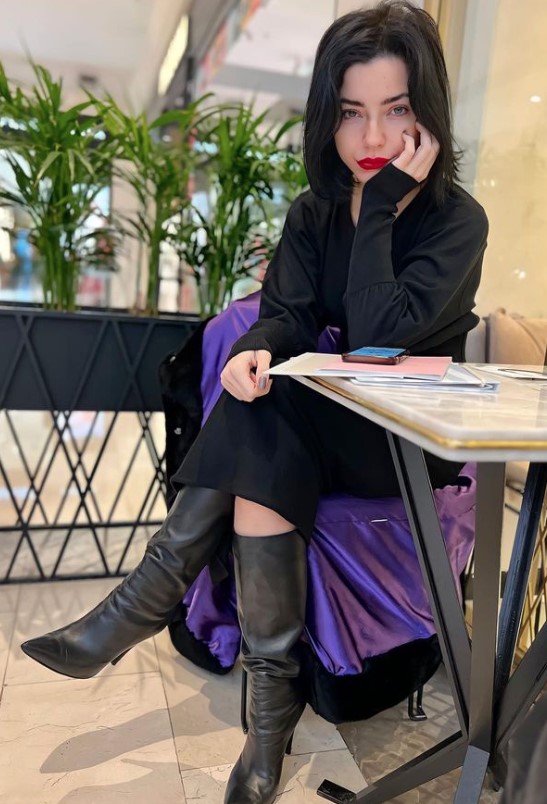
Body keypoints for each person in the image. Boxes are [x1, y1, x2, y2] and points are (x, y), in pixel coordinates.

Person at [21, 3, 488, 802]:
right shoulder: (312, 211)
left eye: (396, 109)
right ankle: (265, 728)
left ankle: (142, 605)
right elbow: (285, 313)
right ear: (326, 114)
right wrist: (253, 352)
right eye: (350, 112)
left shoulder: (456, 222)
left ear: (429, 115)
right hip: (317, 421)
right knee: (261, 405)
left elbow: (378, 334)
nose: (372, 138)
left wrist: (380, 206)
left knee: (269, 415)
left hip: (401, 437)